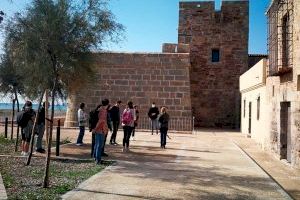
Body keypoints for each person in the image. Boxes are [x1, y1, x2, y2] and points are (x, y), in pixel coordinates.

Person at [93, 99, 109, 164]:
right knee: (100, 145)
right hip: (100, 130)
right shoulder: (104, 111)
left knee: (96, 144)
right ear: (107, 104)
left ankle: (95, 157)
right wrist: (96, 128)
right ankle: (98, 160)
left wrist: (95, 128)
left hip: (98, 130)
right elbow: (101, 121)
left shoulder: (99, 109)